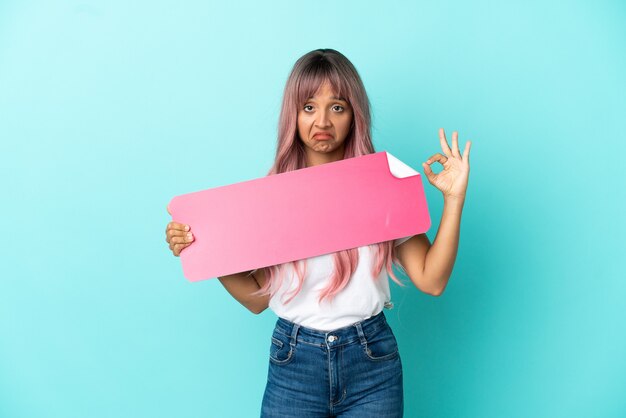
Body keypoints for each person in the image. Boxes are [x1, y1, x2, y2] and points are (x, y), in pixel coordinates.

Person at [165, 48, 471, 417]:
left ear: (354, 114)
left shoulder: (384, 184)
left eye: (337, 107)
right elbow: (255, 299)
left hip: (372, 361)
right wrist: (206, 249)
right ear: (292, 114)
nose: (322, 120)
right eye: (309, 107)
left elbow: (432, 279)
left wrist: (453, 201)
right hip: (295, 361)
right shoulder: (271, 197)